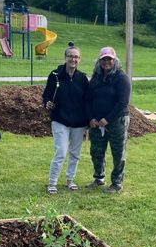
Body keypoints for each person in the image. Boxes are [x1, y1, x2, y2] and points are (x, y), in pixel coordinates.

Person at [41, 43, 89, 194]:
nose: (73, 59)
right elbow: (46, 95)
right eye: (70, 56)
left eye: (76, 57)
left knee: (75, 154)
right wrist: (47, 102)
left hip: (79, 123)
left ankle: (70, 180)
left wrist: (89, 120)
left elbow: (87, 100)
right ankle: (52, 182)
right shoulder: (55, 75)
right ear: (65, 57)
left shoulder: (82, 78)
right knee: (61, 152)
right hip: (60, 120)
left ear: (79, 59)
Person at [86, 46, 131, 194]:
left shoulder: (121, 78)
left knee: (118, 153)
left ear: (115, 60)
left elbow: (123, 102)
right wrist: (91, 118)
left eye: (109, 59)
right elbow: (87, 100)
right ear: (99, 61)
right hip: (97, 122)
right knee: (96, 151)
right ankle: (99, 178)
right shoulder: (96, 78)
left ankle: (117, 183)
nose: (106, 62)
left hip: (117, 120)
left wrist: (108, 119)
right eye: (103, 59)